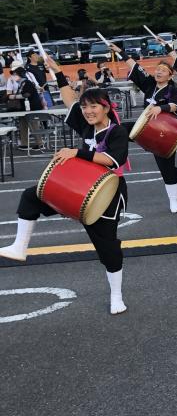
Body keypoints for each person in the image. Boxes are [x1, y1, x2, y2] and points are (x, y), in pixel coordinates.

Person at [0, 56, 131, 315]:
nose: (88, 111)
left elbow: (113, 160)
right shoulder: (86, 124)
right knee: (32, 196)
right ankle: (20, 246)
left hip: (108, 194)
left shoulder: (116, 131)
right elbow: (70, 100)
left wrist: (76, 153)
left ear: (106, 107)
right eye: (86, 107)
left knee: (107, 248)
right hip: (80, 187)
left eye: (94, 106)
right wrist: (58, 72)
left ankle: (116, 295)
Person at [111, 43, 177, 213]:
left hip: (162, 134)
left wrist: (162, 108)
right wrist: (120, 52)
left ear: (170, 75)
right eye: (157, 69)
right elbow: (135, 66)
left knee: (167, 170)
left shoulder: (172, 90)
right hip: (144, 129)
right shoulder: (150, 85)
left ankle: (173, 201)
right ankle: (112, 162)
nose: (158, 72)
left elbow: (176, 106)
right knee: (117, 130)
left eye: (163, 70)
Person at [8, 65, 43, 150]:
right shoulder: (21, 83)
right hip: (24, 108)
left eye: (15, 74)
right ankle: (24, 143)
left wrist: (14, 97)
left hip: (32, 107)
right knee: (22, 124)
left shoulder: (27, 83)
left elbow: (27, 94)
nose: (13, 76)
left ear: (20, 74)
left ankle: (39, 143)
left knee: (33, 125)